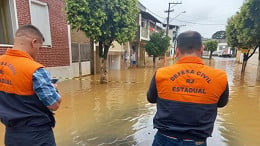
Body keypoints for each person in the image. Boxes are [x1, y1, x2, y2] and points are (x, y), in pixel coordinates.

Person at [147, 31, 229, 146]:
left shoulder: (161, 74)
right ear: (202, 49)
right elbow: (221, 103)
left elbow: (151, 99)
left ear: (177, 51)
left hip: (164, 140)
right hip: (197, 142)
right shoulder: (220, 77)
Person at [0, 24, 62, 146]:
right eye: (39, 48)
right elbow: (54, 104)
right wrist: (55, 90)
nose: (38, 53)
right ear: (34, 42)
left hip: (11, 136)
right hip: (37, 136)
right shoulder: (35, 70)